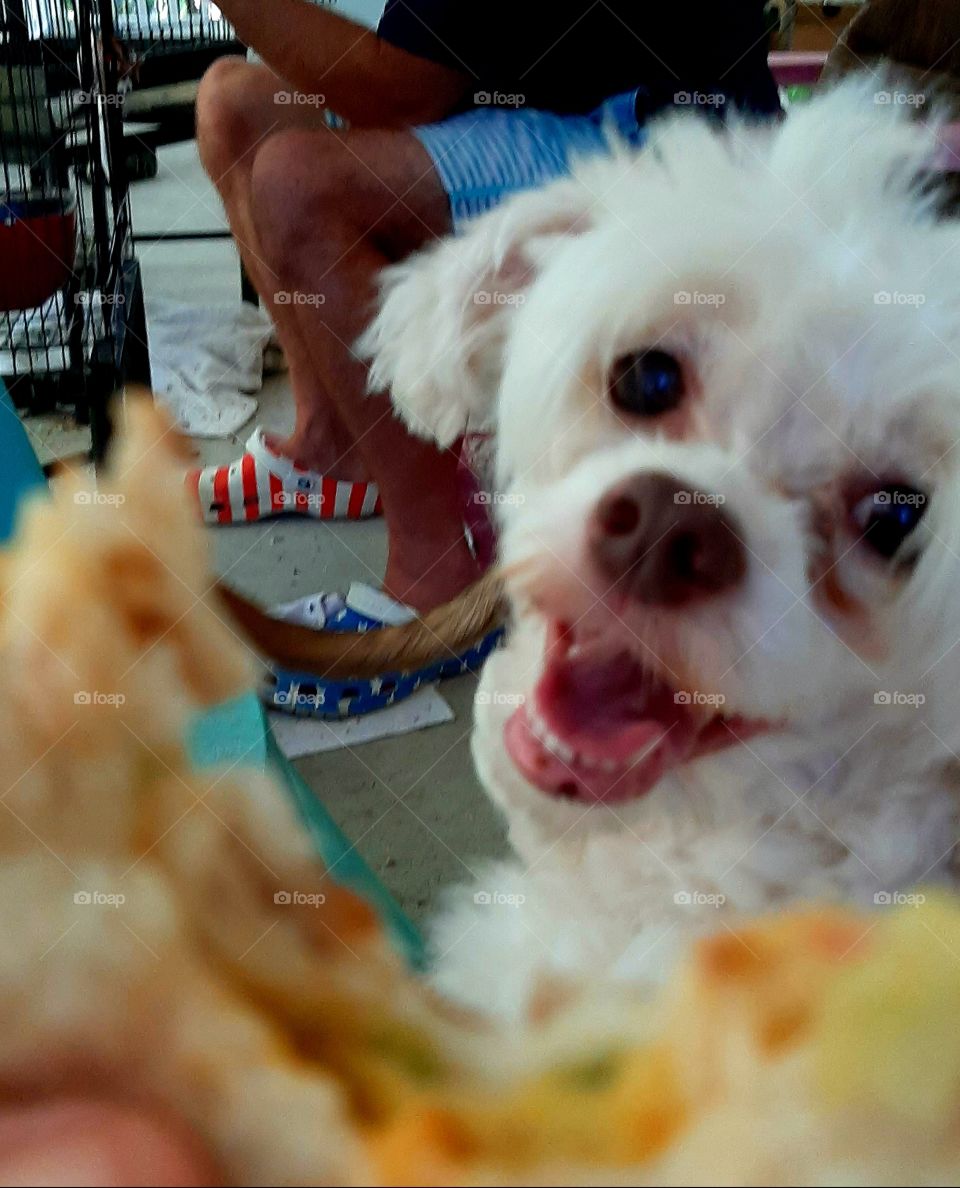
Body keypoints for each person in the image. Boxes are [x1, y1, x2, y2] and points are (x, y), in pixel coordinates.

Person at [192, 0, 780, 624]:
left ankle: (436, 572)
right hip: (559, 98)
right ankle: (330, 450)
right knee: (237, 105)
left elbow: (397, 94)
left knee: (300, 184)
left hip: (677, 141)